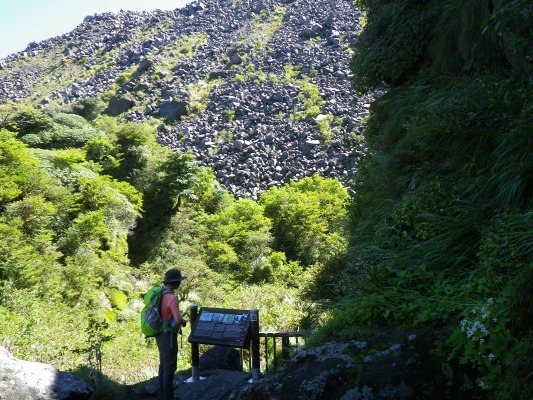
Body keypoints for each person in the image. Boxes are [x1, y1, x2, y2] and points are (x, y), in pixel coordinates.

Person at [157, 268, 187, 400]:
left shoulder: (161, 294)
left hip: (159, 333)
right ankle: (167, 397)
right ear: (175, 283)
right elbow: (178, 319)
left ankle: (161, 395)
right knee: (170, 367)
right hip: (168, 336)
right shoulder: (172, 297)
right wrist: (184, 322)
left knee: (163, 365)